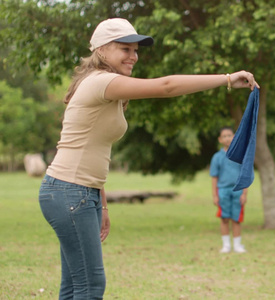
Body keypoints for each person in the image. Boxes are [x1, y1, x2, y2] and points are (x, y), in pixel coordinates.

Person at [38, 18, 259, 299]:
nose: (134, 56)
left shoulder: (102, 85)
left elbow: (90, 150)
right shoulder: (103, 82)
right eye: (125, 49)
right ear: (103, 50)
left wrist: (101, 205)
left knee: (74, 287)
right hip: (70, 192)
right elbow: (166, 86)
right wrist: (226, 79)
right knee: (90, 287)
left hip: (79, 191)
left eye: (136, 50)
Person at [210, 126, 248, 253]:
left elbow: (245, 175)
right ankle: (226, 245)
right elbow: (214, 177)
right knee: (224, 218)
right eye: (224, 136)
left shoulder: (240, 155)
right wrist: (215, 195)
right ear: (220, 139)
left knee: (236, 218)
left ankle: (237, 245)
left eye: (230, 135)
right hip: (223, 191)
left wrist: (244, 193)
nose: (227, 138)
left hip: (238, 190)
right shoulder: (217, 157)